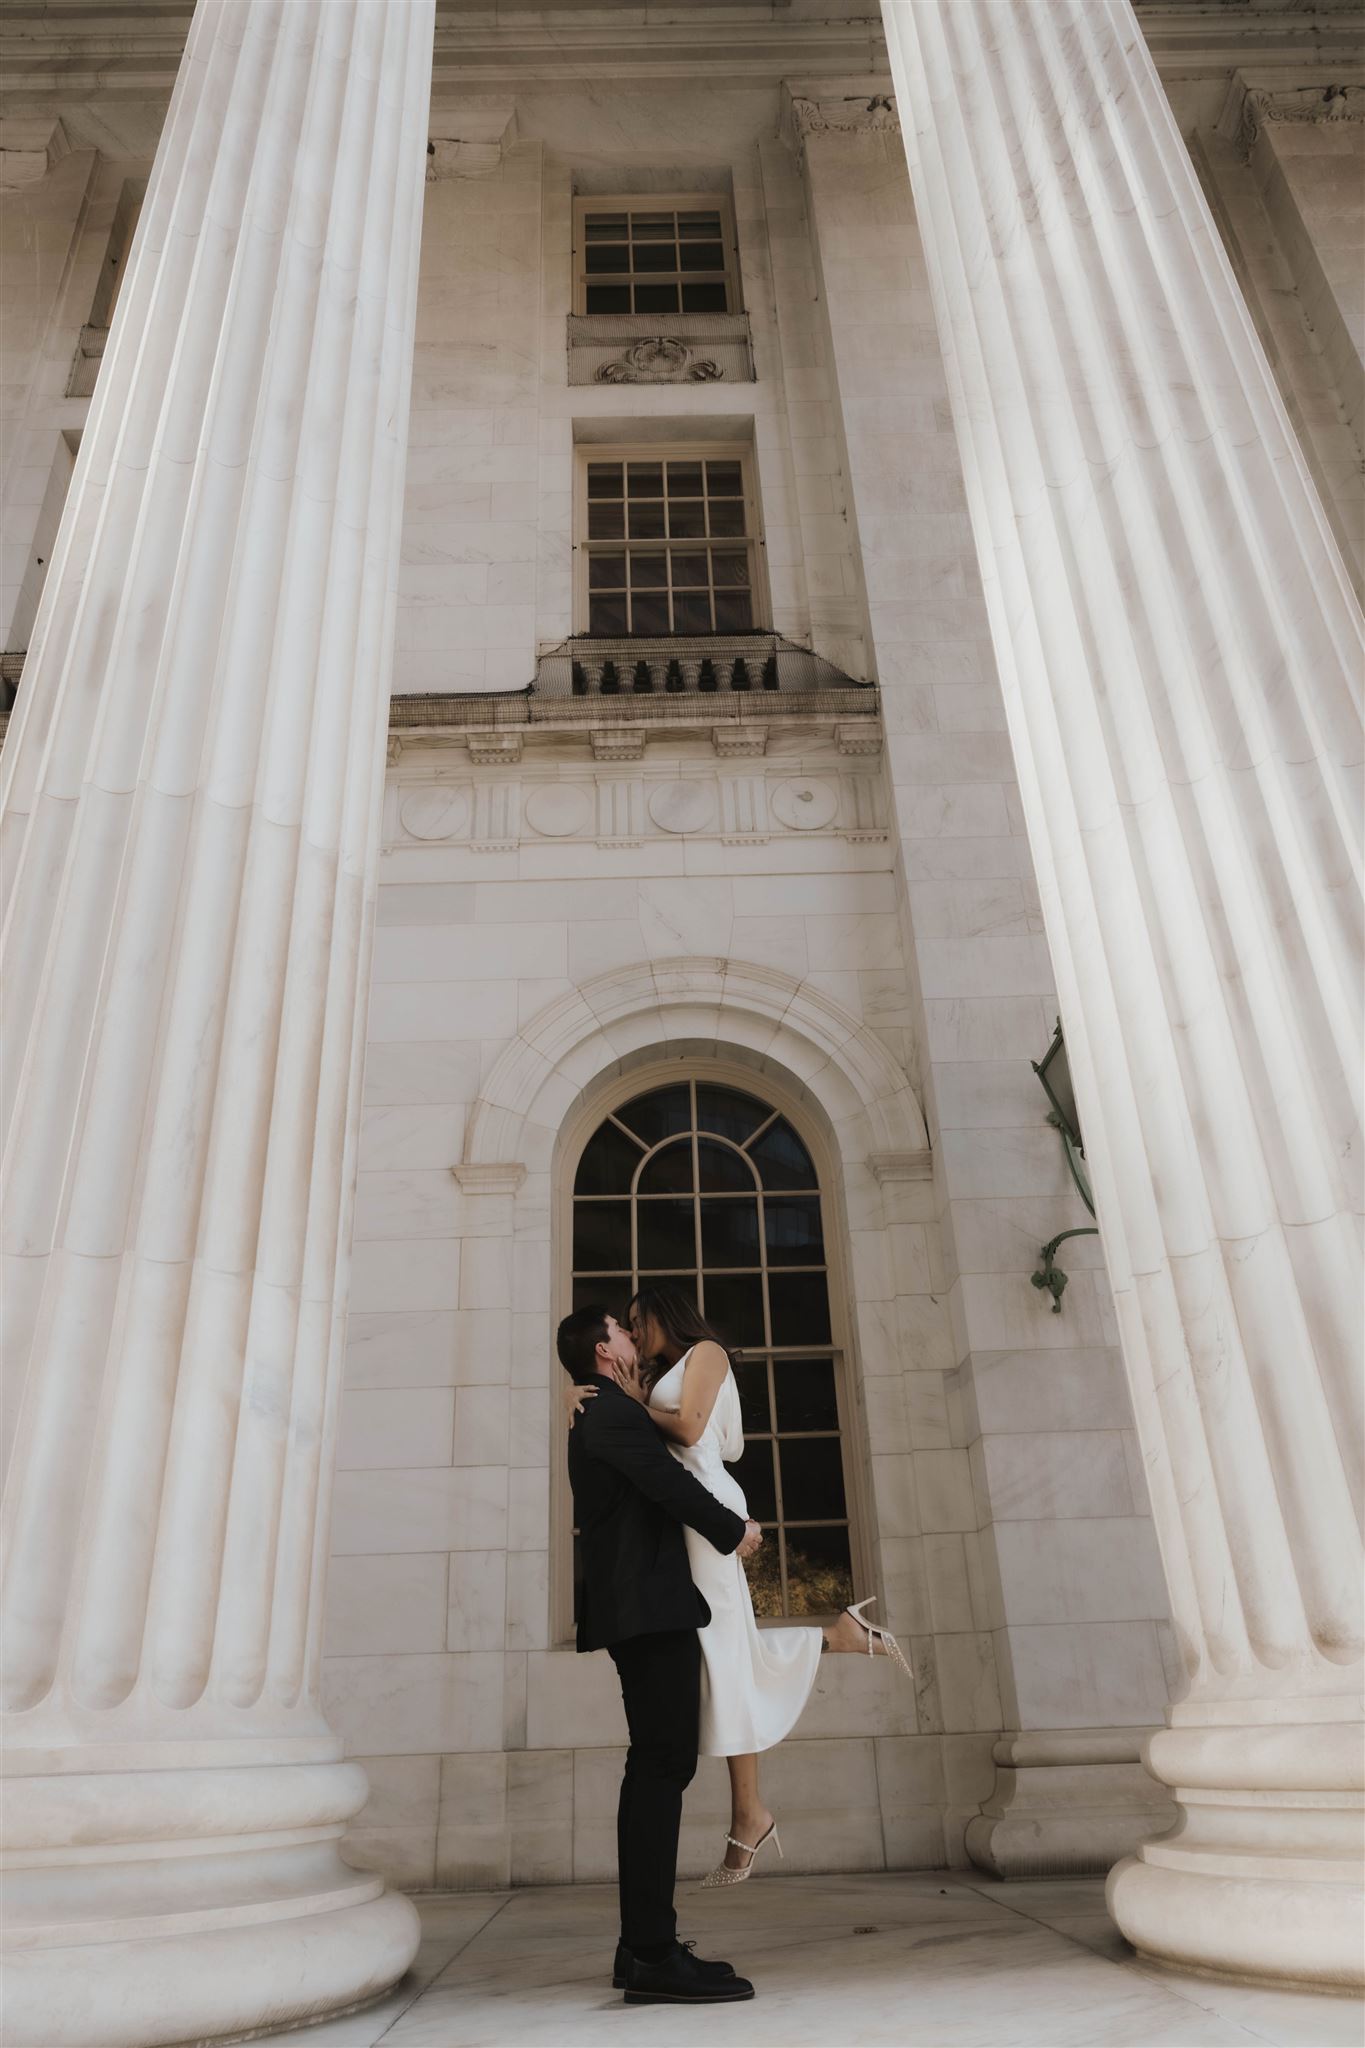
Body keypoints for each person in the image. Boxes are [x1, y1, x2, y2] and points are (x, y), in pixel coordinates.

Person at [565, 1283, 911, 1887]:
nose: (634, 1332)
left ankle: (750, 1812)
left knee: (726, 1652)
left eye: (638, 1321)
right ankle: (832, 1647)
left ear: (665, 1317)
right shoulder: (652, 1376)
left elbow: (692, 1431)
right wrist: (592, 1396)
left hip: (708, 1510)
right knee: (722, 1653)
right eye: (625, 1327)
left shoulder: (706, 1354)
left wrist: (618, 1405)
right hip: (688, 1516)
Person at [556, 1304, 761, 2006]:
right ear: (601, 1351)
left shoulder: (605, 1410)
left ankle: (640, 1945)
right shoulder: (607, 1413)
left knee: (656, 1765)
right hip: (648, 1612)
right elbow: (667, 1484)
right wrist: (733, 1530)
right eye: (619, 1328)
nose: (630, 1334)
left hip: (644, 1609)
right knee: (659, 1766)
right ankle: (650, 1953)